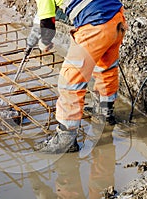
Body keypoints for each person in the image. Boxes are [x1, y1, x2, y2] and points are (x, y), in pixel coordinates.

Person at [34, 0, 127, 153]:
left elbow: (47, 21)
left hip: (95, 24)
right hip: (116, 17)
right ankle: (104, 111)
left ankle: (66, 138)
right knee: (106, 67)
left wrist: (45, 41)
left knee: (70, 80)